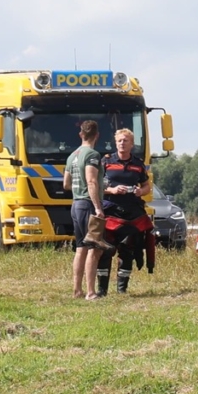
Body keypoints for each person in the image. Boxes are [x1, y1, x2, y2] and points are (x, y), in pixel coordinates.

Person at [93, 128, 154, 297]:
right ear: (115, 143)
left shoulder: (138, 164)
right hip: (110, 212)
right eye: (119, 140)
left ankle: (122, 290)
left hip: (132, 213)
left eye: (125, 140)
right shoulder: (106, 162)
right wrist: (112, 190)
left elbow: (147, 186)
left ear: (131, 144)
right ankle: (102, 290)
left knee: (128, 251)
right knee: (105, 250)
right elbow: (96, 185)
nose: (122, 143)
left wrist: (140, 192)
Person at [67, 119, 104, 300]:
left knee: (81, 247)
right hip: (87, 204)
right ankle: (90, 291)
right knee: (93, 248)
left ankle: (77, 290)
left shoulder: (72, 156)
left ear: (81, 134)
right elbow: (91, 181)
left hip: (75, 204)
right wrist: (98, 207)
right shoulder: (92, 155)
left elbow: (66, 183)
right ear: (96, 135)